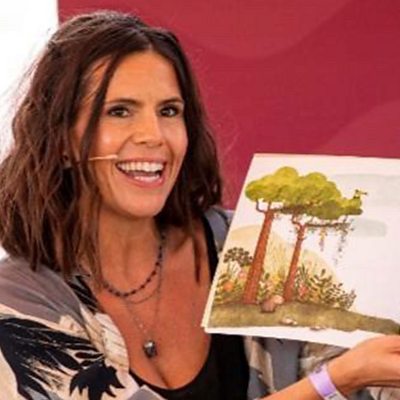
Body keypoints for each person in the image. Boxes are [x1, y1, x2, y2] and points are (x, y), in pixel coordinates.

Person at [0, 10, 399, 400]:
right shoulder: (18, 302)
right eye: (119, 111)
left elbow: (366, 376)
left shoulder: (250, 251)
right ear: (62, 142)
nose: (154, 135)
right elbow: (345, 374)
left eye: (169, 111)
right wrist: (337, 380)